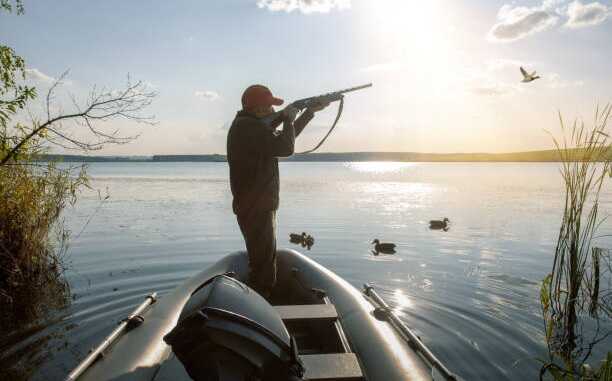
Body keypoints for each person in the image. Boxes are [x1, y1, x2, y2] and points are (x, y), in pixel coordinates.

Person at [227, 85, 329, 297]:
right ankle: (261, 307)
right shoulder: (248, 127)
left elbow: (282, 141)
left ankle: (261, 302)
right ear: (257, 108)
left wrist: (309, 113)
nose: (273, 111)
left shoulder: (252, 126)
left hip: (257, 205)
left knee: (263, 262)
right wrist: (289, 119)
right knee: (263, 268)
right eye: (269, 106)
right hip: (256, 206)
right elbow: (285, 147)